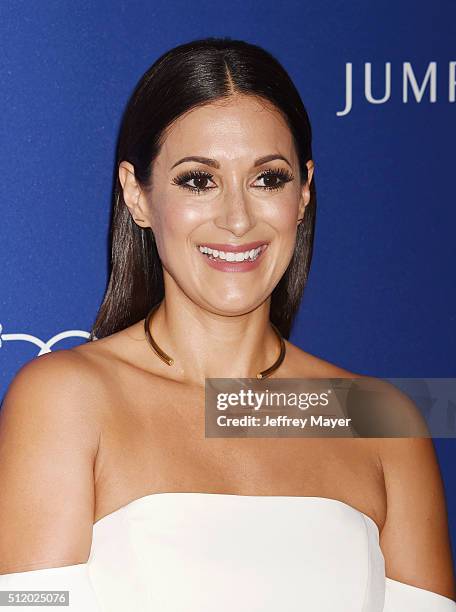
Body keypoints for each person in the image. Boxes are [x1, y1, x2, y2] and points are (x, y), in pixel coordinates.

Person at [0, 37, 454, 611]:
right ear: (137, 195)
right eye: (198, 180)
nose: (237, 219)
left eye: (268, 179)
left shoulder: (382, 422)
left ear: (305, 191)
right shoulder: (67, 400)